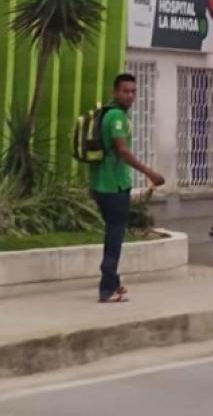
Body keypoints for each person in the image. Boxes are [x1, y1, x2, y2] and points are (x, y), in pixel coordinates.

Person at [92, 73, 165, 303]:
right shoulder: (116, 117)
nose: (130, 96)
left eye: (133, 91)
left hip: (103, 183)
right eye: (125, 91)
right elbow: (122, 150)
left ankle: (113, 282)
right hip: (113, 185)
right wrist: (150, 173)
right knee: (115, 235)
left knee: (114, 232)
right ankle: (107, 289)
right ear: (115, 92)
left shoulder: (110, 113)